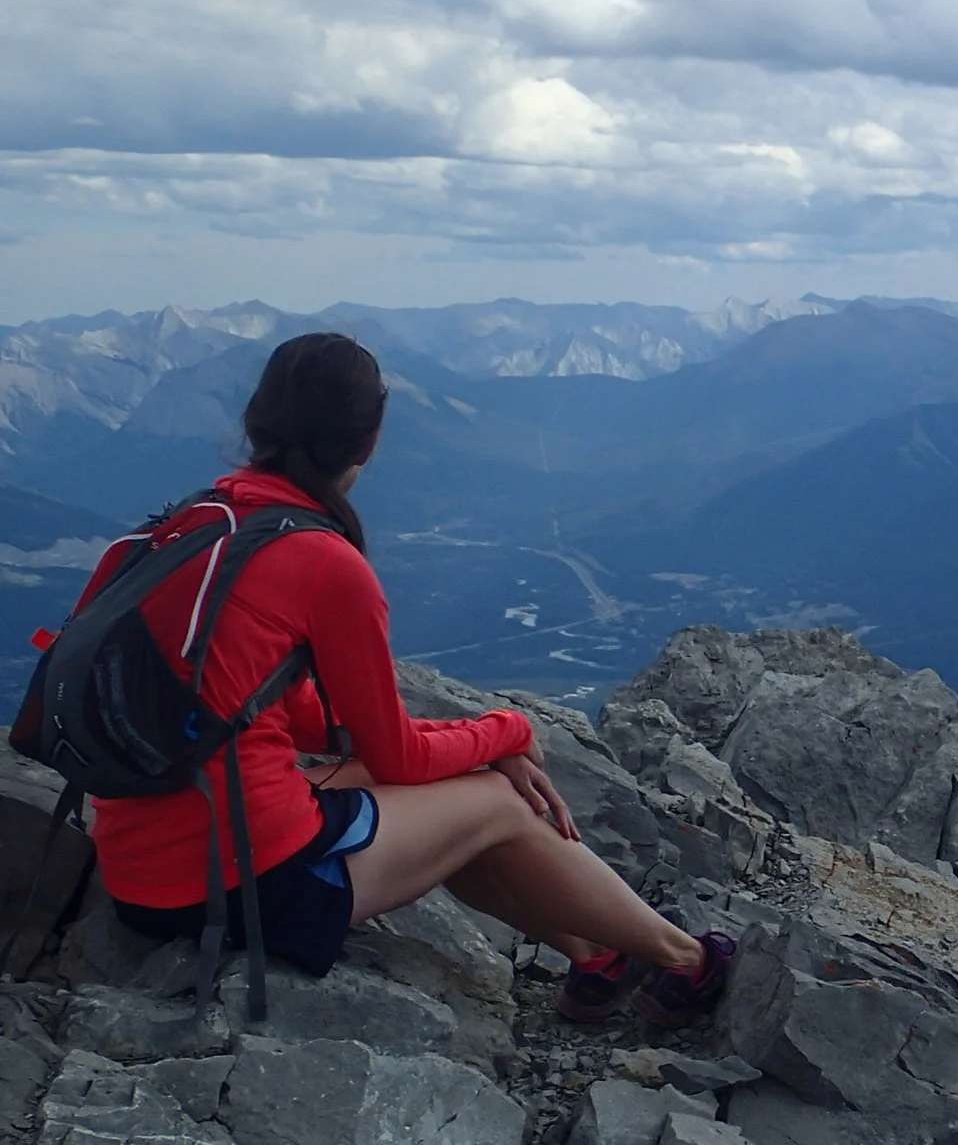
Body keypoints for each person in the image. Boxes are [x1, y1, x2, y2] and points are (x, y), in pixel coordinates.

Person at [76, 331, 732, 1026]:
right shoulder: (322, 560)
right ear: (368, 442)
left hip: (139, 877)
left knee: (453, 797)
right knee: (494, 801)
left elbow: (302, 719)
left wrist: (461, 743)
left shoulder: (191, 527)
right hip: (251, 882)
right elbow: (393, 757)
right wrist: (502, 731)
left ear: (254, 421)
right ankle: (687, 962)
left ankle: (598, 959)